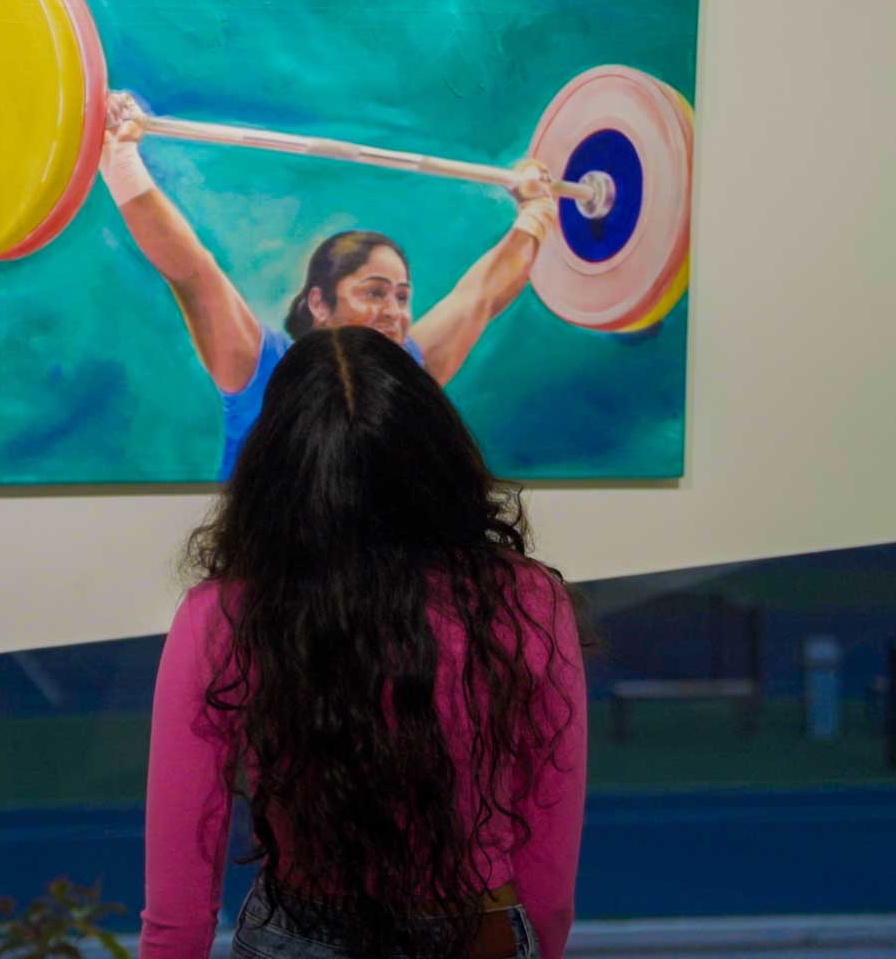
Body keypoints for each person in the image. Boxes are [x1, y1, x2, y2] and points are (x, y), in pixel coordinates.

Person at [141, 325, 590, 959]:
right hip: (480, 931)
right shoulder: (528, 599)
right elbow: (548, 841)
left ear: (277, 470)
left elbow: (181, 884)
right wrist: (540, 943)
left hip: (298, 935)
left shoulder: (221, 615)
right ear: (435, 453)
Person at [99, 93, 560, 478]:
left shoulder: (408, 369)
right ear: (319, 302)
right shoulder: (263, 370)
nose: (393, 312)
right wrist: (120, 159)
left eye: (402, 296)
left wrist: (536, 211)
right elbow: (193, 273)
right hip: (272, 560)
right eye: (374, 292)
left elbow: (481, 295)